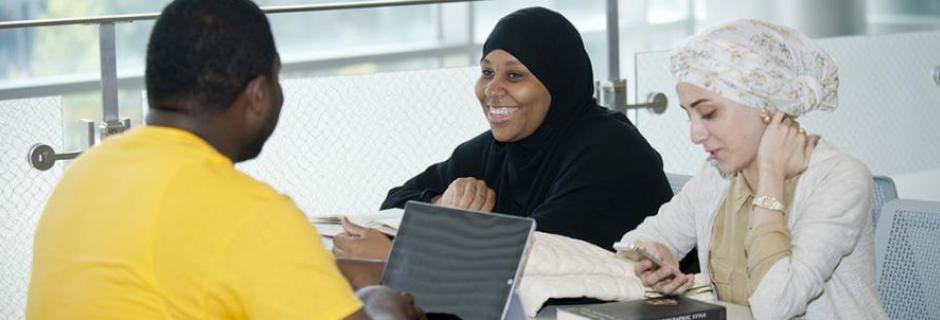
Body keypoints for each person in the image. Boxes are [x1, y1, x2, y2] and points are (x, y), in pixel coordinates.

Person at [26, 1, 422, 319]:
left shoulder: (89, 172)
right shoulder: (251, 214)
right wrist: (382, 305)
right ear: (258, 95)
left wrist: (333, 274)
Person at [333, 7, 673, 261]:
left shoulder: (610, 151)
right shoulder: (497, 149)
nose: (491, 90)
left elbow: (536, 253)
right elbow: (394, 201)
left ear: (558, 81)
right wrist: (441, 205)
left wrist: (401, 255)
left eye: (514, 76)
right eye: (486, 73)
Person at [621, 20, 888, 319]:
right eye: (690, 116)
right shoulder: (717, 174)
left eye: (708, 113)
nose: (695, 134)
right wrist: (655, 259)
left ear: (764, 105)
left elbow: (776, 306)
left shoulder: (839, 178)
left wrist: (770, 176)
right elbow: (637, 241)